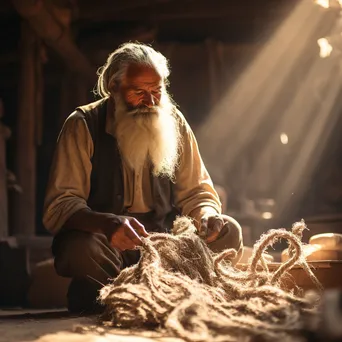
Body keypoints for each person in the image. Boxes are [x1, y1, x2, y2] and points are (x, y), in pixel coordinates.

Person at [43, 42, 243, 314]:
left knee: (228, 232)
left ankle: (165, 289)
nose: (150, 102)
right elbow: (61, 205)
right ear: (114, 88)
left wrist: (207, 215)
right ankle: (117, 295)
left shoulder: (174, 122)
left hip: (164, 248)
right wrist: (109, 224)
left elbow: (197, 192)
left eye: (156, 91)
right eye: (139, 92)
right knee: (80, 249)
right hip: (107, 246)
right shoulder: (82, 124)